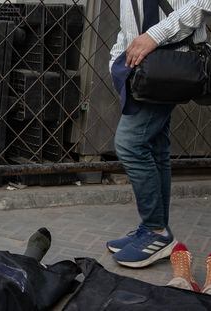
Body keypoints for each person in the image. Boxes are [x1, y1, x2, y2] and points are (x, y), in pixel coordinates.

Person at [107, 0, 211, 268]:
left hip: (170, 63)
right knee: (155, 146)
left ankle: (156, 232)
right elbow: (130, 20)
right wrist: (117, 60)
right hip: (144, 67)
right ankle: (153, 228)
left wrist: (155, 35)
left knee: (130, 144)